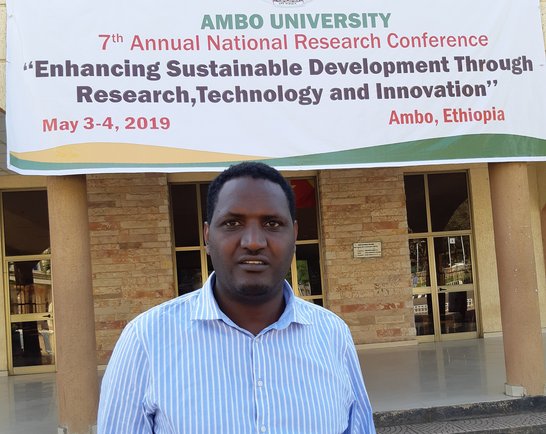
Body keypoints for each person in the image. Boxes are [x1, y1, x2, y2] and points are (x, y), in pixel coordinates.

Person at [97, 162, 376, 433]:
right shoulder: (146, 339)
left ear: (295, 235)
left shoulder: (332, 335)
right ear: (208, 235)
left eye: (272, 223)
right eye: (232, 223)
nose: (253, 241)